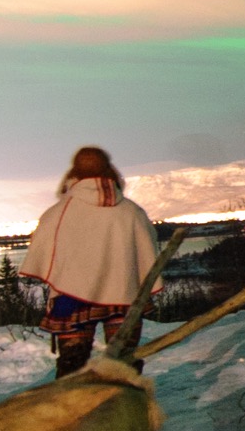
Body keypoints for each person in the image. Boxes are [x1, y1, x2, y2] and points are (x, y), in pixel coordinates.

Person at [26, 146, 158, 377]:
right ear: (110, 171)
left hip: (71, 298)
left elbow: (43, 251)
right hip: (125, 296)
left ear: (73, 174)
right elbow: (148, 253)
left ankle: (73, 409)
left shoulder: (58, 213)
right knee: (123, 363)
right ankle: (122, 406)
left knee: (72, 366)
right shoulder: (132, 212)